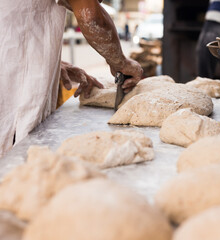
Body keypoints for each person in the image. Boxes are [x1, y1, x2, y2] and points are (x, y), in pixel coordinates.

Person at [0, 0, 143, 157]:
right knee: (15, 168)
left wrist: (56, 63)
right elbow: (91, 18)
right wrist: (120, 62)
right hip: (12, 101)